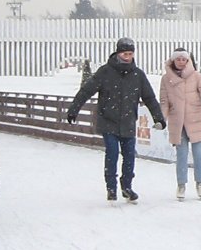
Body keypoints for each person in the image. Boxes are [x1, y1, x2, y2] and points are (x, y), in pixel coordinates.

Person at [65, 38, 164, 202]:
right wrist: (73, 109)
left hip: (128, 122)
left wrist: (158, 118)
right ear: (118, 53)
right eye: (125, 53)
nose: (127, 57)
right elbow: (86, 91)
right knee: (112, 154)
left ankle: (127, 186)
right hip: (108, 121)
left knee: (129, 156)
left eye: (130, 54)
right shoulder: (105, 72)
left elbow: (149, 98)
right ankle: (111, 187)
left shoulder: (138, 75)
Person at [159, 46, 201, 200]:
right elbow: (164, 102)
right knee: (181, 156)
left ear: (188, 60)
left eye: (184, 59)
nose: (181, 62)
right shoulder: (166, 79)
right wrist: (161, 118)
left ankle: (200, 183)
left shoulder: (196, 76)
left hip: (196, 120)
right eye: (178, 59)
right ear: (173, 60)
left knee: (198, 155)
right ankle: (181, 185)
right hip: (178, 123)